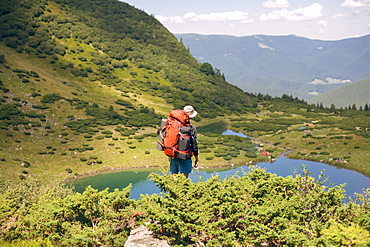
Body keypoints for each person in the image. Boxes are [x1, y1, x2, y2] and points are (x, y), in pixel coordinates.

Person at [170, 105, 199, 178]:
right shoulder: (191, 128)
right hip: (185, 156)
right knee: (184, 179)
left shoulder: (174, 125)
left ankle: (173, 188)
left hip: (174, 155)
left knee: (174, 178)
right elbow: (194, 145)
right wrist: (196, 159)